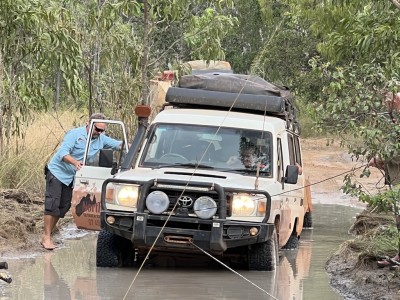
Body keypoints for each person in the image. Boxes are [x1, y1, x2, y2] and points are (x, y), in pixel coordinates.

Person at [40, 113, 122, 250]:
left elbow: (119, 145)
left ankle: (47, 234)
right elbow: (63, 153)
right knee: (52, 204)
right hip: (57, 172)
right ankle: (47, 236)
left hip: (71, 178)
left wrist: (136, 144)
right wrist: (75, 163)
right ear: (89, 124)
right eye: (97, 129)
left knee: (63, 207)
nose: (99, 133)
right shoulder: (75, 134)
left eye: (102, 130)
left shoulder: (101, 138)